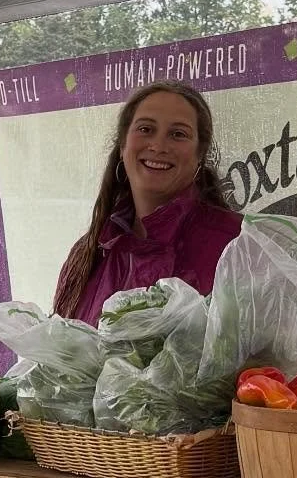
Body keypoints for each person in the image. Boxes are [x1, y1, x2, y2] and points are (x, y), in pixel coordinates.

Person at [51, 82, 242, 323]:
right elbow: (58, 348)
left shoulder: (237, 246)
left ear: (200, 154)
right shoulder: (87, 252)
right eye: (145, 129)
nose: (159, 146)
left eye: (178, 134)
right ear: (123, 145)